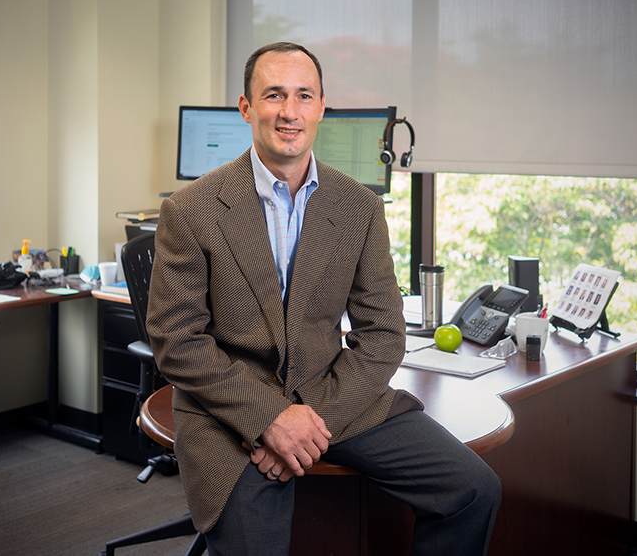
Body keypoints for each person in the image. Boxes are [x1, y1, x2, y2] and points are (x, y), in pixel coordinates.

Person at [146, 42, 501, 556]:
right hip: (227, 409)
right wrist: (268, 418)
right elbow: (177, 341)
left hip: (333, 395)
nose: (289, 112)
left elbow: (383, 335)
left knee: (472, 489)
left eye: (303, 96)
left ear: (321, 106)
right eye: (273, 95)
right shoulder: (191, 209)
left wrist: (305, 420)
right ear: (246, 107)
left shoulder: (359, 206)